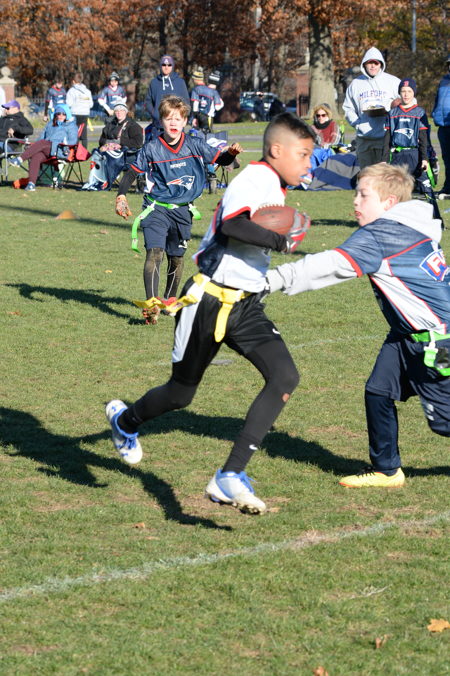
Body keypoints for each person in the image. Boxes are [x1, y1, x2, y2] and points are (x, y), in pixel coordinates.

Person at [106, 111, 315, 514]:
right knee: (180, 395)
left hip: (246, 304)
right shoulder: (255, 179)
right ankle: (125, 422)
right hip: (209, 299)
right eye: (303, 154)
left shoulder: (274, 185)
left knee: (285, 376)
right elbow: (233, 226)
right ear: (277, 150)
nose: (308, 164)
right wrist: (280, 240)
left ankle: (230, 475)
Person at [267, 163, 450, 488]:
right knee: (378, 391)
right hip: (405, 333)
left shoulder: (382, 235)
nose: (355, 201)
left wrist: (265, 281)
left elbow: (327, 266)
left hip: (436, 342)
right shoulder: (411, 225)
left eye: (364, 195)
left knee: (444, 423)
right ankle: (387, 470)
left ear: (389, 203)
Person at [115, 94, 243, 323]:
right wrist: (121, 195)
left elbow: (221, 160)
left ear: (185, 121)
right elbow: (132, 172)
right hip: (156, 208)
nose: (173, 123)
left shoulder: (194, 144)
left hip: (183, 210)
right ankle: (151, 304)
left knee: (176, 257)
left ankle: (169, 299)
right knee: (155, 252)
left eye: (177, 118)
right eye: (168, 118)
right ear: (161, 121)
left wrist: (230, 154)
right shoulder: (152, 148)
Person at [343, 47, 400, 169]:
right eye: (370, 63)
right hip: (364, 138)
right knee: (366, 174)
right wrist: (357, 124)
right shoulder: (356, 84)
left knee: (384, 174)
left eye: (376, 63)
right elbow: (348, 108)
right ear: (364, 64)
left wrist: (395, 107)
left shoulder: (393, 82)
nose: (373, 66)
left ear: (381, 64)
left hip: (385, 137)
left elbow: (408, 101)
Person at [8, 104, 78, 191]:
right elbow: (40, 138)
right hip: (47, 149)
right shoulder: (50, 124)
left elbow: (72, 141)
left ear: (67, 114)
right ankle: (31, 184)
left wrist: (63, 143)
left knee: (43, 143)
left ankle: (20, 159)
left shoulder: (71, 126)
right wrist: (32, 147)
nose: (61, 116)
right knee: (36, 156)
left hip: (61, 150)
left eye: (64, 114)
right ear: (55, 114)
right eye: (58, 113)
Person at [144, 55, 189, 138]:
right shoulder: (154, 82)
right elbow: (148, 101)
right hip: (158, 126)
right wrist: (155, 113)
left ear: (173, 66)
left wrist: (181, 117)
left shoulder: (180, 82)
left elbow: (186, 102)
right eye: (164, 65)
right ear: (160, 66)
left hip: (176, 126)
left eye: (169, 65)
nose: (166, 67)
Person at [432, 54, 450, 199]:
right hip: (443, 126)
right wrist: (435, 113)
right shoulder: (443, 81)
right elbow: (438, 100)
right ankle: (448, 187)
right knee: (447, 159)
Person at [66, 72, 93, 148]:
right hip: (85, 114)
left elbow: (69, 104)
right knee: (84, 135)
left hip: (75, 113)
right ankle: (84, 152)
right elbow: (91, 104)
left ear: (73, 81)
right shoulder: (87, 91)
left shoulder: (71, 91)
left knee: (75, 133)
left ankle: (75, 151)